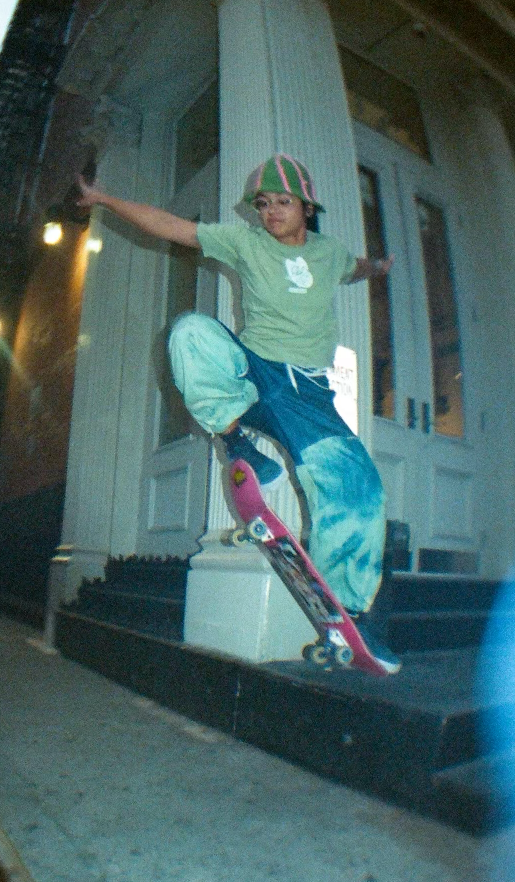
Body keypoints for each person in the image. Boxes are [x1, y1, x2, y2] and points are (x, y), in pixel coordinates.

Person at [74, 154, 400, 672]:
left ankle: (350, 614)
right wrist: (105, 199)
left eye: (283, 203)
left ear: (307, 206)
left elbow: (354, 268)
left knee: (357, 490)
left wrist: (377, 267)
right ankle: (237, 442)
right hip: (253, 372)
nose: (271, 213)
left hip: (307, 396)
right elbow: (170, 226)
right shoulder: (244, 242)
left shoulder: (329, 253)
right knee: (189, 334)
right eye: (264, 204)